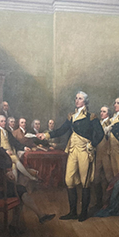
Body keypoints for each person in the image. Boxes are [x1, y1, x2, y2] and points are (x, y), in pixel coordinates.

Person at [38, 91, 104, 222]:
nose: (77, 100)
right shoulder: (72, 116)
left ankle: (83, 212)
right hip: (73, 149)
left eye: (80, 99)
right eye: (76, 98)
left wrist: (93, 144)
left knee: (85, 182)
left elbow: (100, 133)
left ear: (85, 101)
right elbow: (62, 130)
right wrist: (46, 135)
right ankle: (73, 212)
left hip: (85, 150)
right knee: (69, 180)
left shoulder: (91, 117)